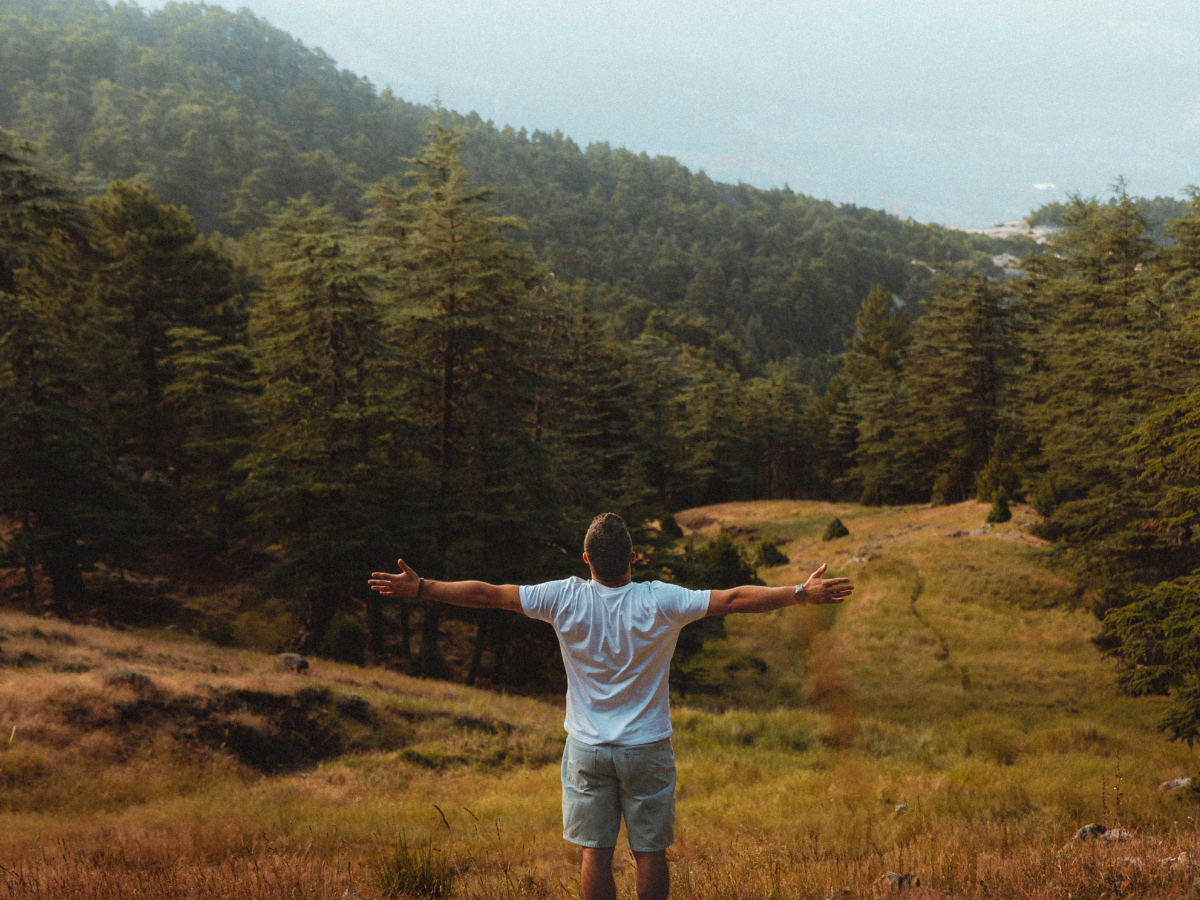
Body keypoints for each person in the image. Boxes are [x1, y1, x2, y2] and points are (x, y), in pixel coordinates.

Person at [368, 512, 853, 900]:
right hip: (646, 748)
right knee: (650, 852)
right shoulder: (661, 601)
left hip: (587, 750)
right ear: (634, 559)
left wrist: (422, 587)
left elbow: (489, 594)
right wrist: (799, 593)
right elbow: (731, 598)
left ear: (586, 558)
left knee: (595, 855)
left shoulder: (562, 598)